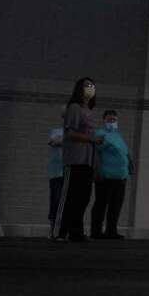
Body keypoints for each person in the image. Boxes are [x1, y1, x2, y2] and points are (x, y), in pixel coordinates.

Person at [54, 78, 103, 242]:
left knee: (83, 198)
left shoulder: (89, 111)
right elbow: (70, 133)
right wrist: (92, 140)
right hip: (75, 159)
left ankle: (77, 232)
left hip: (87, 161)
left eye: (92, 86)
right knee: (70, 196)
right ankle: (60, 231)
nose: (90, 88)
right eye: (86, 86)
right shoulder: (74, 108)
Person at [90, 110, 133, 240]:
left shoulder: (118, 136)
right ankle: (96, 231)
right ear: (104, 121)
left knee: (116, 205)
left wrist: (129, 164)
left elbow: (124, 152)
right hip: (106, 176)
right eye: (109, 120)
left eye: (114, 120)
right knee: (101, 204)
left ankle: (111, 231)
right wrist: (96, 171)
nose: (112, 122)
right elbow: (95, 152)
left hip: (121, 177)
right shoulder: (100, 134)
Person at [47, 118, 64, 233]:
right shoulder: (56, 131)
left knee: (67, 202)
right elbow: (53, 142)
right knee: (55, 199)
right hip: (56, 172)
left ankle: (63, 229)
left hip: (69, 172)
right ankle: (53, 229)